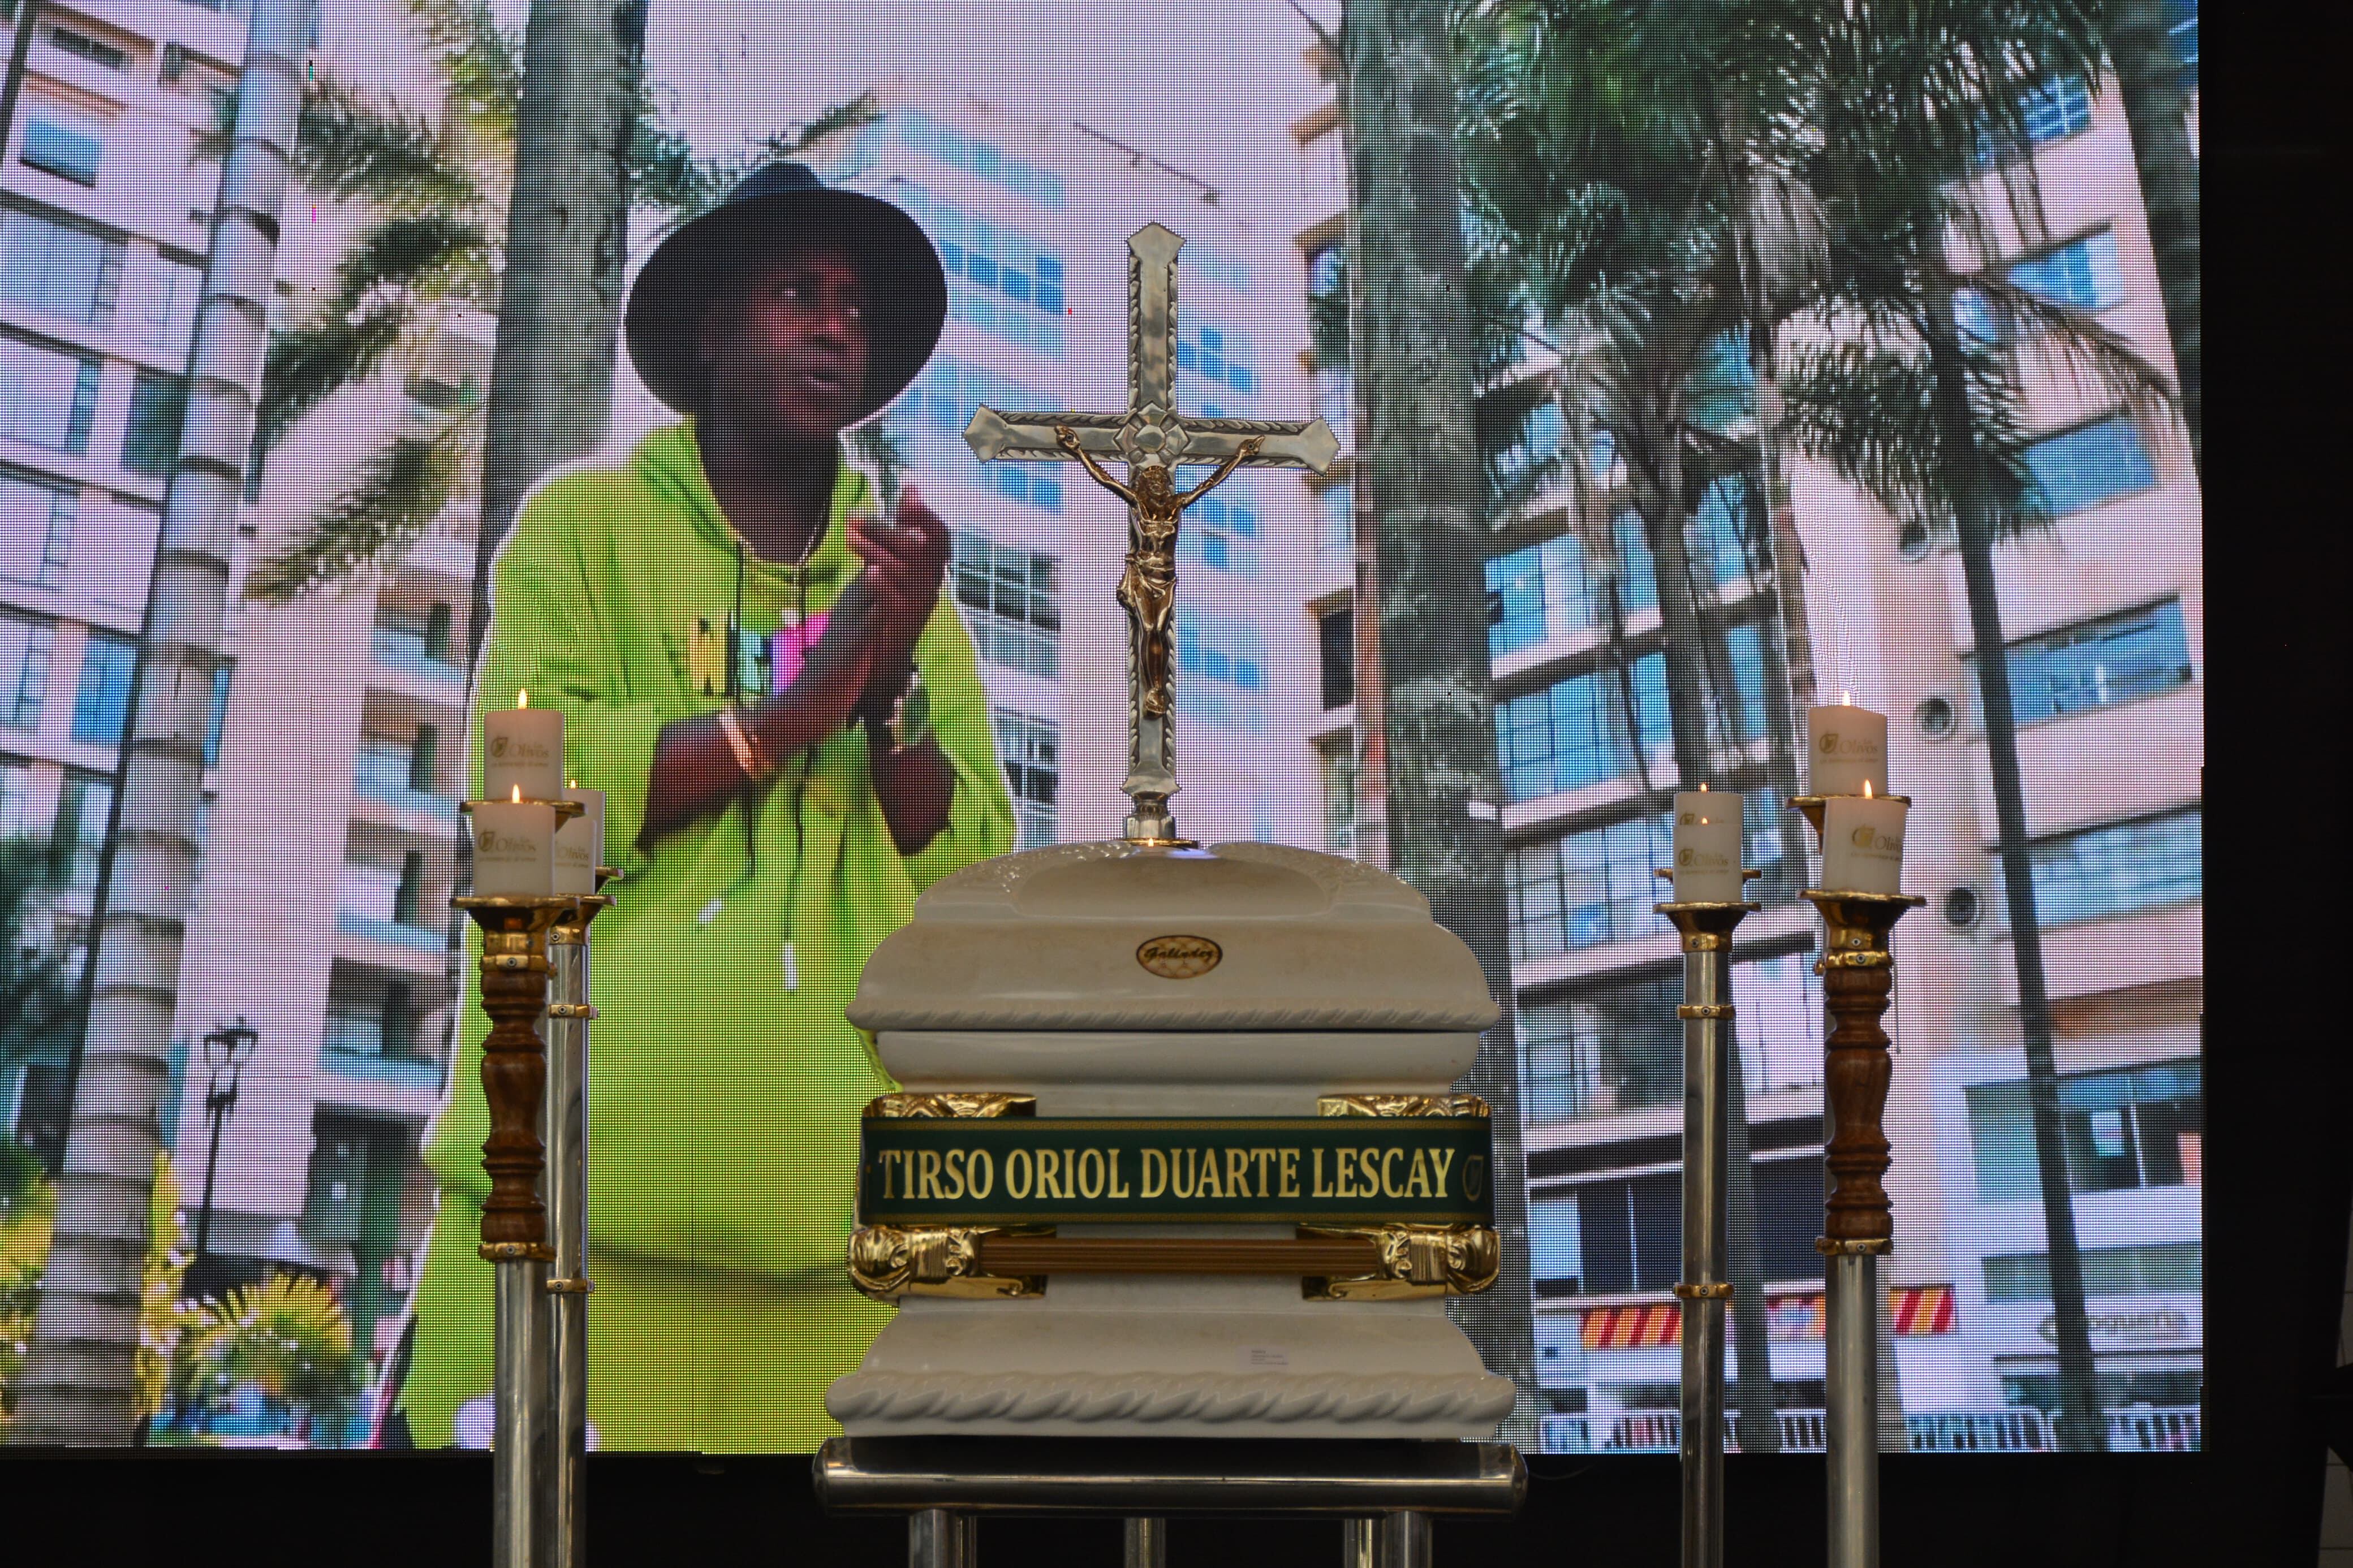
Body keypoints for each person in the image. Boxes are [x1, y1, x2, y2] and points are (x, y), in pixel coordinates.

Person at [395, 164, 1015, 1451]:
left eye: (853, 306)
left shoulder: (905, 581)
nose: (836, 325)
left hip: (841, 1264)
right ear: (709, 333)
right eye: (799, 292)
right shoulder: (582, 528)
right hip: (568, 1230)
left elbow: (968, 880)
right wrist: (780, 719)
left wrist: (888, 682)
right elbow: (519, 823)